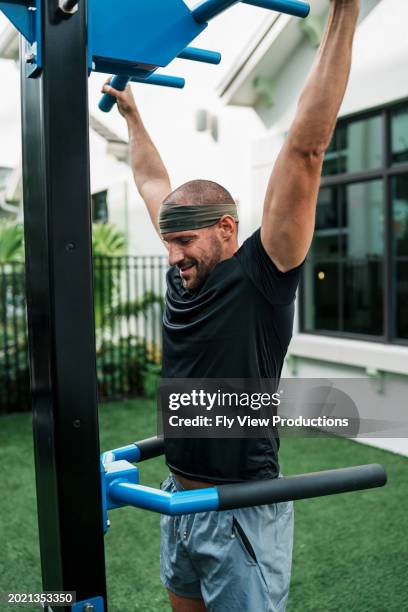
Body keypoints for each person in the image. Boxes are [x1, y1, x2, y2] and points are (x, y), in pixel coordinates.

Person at [102, 1, 360, 609]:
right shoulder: (183, 274)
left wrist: (344, 12)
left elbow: (306, 149)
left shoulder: (262, 274)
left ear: (225, 228)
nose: (172, 257)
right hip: (179, 499)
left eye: (183, 242)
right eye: (167, 243)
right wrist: (136, 118)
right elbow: (151, 184)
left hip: (240, 506)